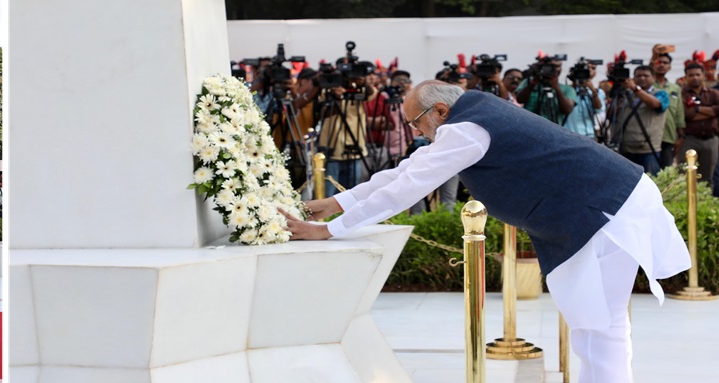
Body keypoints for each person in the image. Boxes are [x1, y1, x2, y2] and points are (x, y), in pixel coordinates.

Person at [284, 81, 690, 383]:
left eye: (415, 123)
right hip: (606, 205)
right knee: (595, 324)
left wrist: (329, 231)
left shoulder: (466, 129)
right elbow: (408, 169)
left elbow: (408, 187)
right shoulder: (473, 115)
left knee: (600, 325)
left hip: (605, 210)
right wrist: (338, 204)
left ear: (440, 110)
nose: (416, 132)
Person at [609, 65, 668, 175]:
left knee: (650, 183)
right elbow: (610, 115)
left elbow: (656, 104)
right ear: (633, 78)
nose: (642, 78)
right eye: (638, 76)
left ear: (653, 78)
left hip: (648, 150)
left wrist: (635, 88)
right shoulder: (626, 94)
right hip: (625, 148)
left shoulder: (660, 93)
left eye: (646, 76)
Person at [680, 63, 719, 196]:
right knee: (684, 175)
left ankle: (705, 206)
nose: (695, 78)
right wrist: (710, 112)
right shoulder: (681, 94)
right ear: (686, 77)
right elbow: (685, 114)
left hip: (711, 140)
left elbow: (717, 110)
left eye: (697, 74)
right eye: (691, 75)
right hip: (689, 139)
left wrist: (696, 109)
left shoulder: (713, 93)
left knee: (708, 177)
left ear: (703, 75)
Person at [516, 56, 577, 125]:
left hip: (554, 129)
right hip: (529, 126)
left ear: (561, 69)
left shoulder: (567, 89)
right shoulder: (529, 82)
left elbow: (567, 109)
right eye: (548, 66)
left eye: (556, 66)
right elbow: (520, 99)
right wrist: (533, 82)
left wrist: (556, 87)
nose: (551, 69)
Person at [652, 47, 684, 168]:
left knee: (666, 171)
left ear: (670, 67)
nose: (662, 65)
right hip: (650, 135)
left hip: (668, 136)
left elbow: (679, 113)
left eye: (665, 63)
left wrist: (681, 136)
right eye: (659, 62)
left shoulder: (675, 88)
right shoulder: (647, 86)